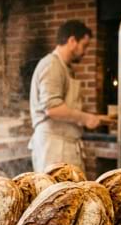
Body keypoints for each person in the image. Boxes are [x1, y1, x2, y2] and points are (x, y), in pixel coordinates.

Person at [29, 20, 110, 172]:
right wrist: (86, 119)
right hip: (53, 148)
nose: (85, 52)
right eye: (84, 45)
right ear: (72, 41)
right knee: (55, 195)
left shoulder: (65, 68)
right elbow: (53, 109)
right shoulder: (52, 65)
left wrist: (92, 117)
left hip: (63, 146)